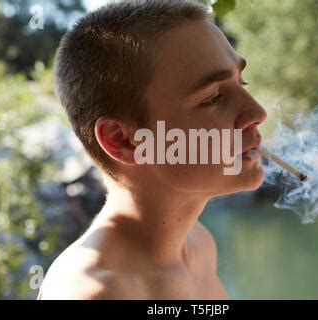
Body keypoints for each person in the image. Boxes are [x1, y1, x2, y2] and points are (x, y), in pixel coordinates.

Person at [38, 0, 266, 299]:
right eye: (212, 97)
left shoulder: (197, 245)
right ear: (123, 140)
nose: (257, 112)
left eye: (242, 81)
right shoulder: (94, 292)